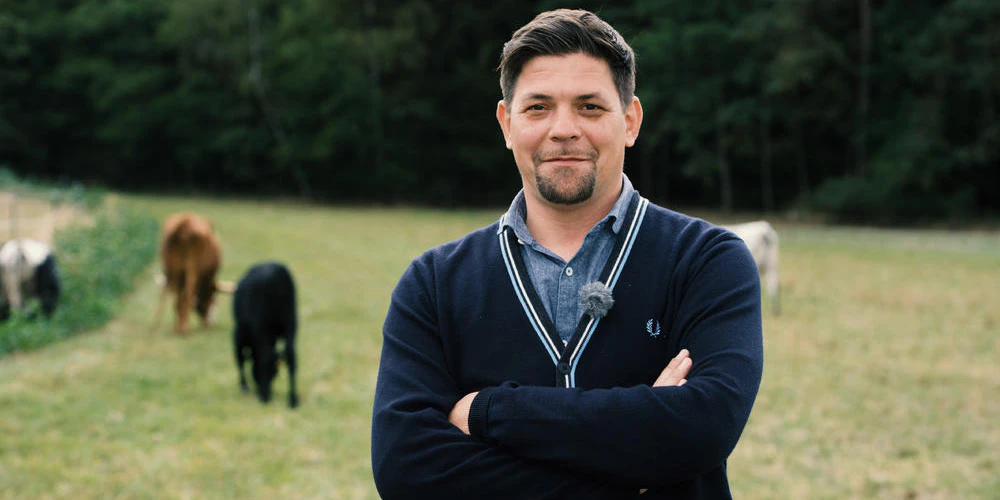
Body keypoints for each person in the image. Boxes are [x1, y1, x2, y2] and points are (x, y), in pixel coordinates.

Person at [371, 9, 763, 499]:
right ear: (506, 123)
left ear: (630, 121)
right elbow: (405, 469)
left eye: (590, 107)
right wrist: (638, 458)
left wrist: (489, 412)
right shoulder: (434, 282)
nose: (563, 129)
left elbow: (704, 426)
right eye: (538, 107)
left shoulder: (706, 260)